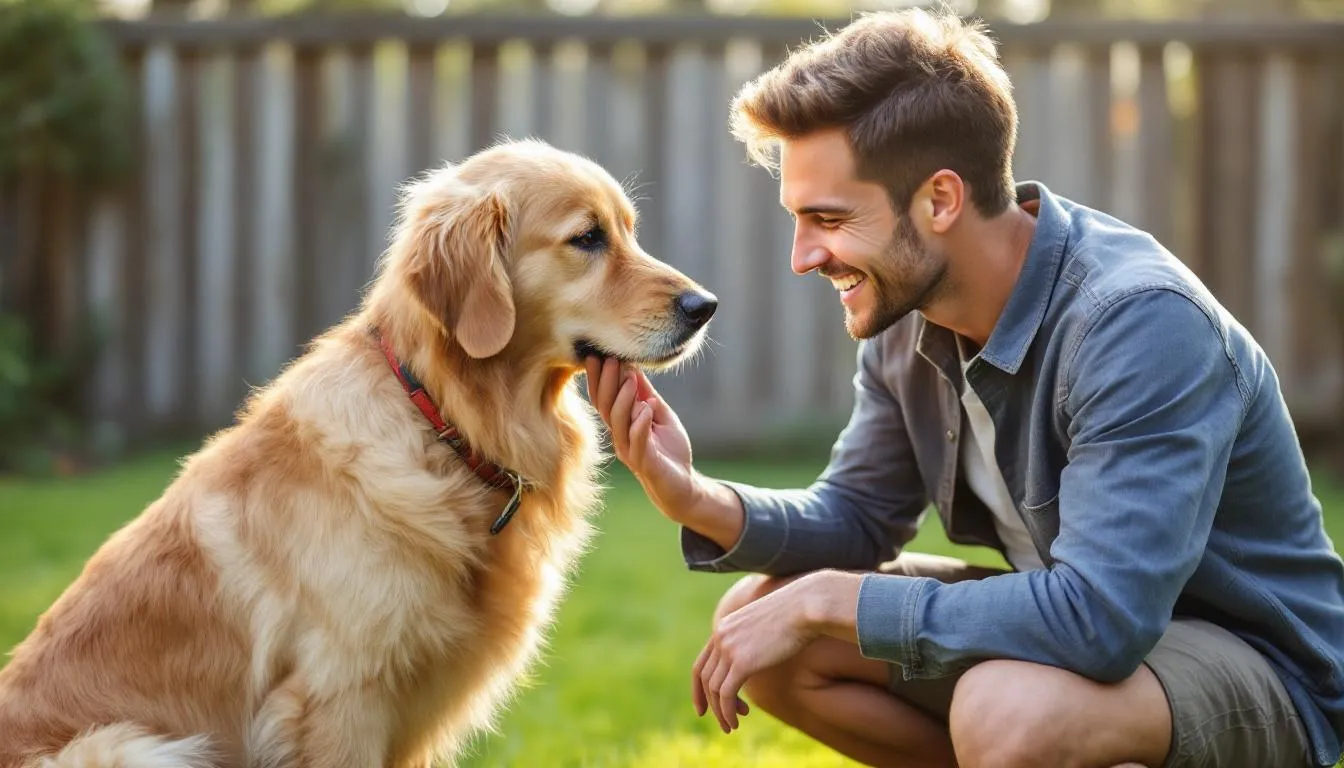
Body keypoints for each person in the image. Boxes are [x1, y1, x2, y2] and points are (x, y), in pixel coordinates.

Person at [582, 7, 1344, 768]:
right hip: (1088, 642)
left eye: (829, 218)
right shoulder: (909, 316)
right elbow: (860, 516)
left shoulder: (1137, 324)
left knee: (1003, 708)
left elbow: (1103, 617)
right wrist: (690, 495)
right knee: (764, 628)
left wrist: (829, 601)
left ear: (940, 200)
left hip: (1259, 670)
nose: (803, 256)